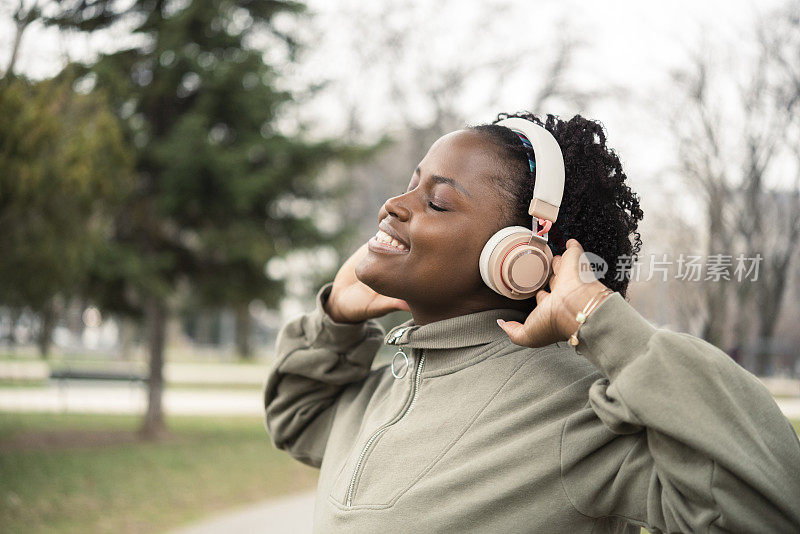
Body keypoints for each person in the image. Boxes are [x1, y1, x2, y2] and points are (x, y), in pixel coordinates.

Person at [263, 112, 800, 533]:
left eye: (438, 202)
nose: (394, 205)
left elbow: (764, 507)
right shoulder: (392, 382)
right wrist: (334, 319)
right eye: (411, 184)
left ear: (517, 256)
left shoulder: (581, 414)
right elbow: (298, 419)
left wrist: (602, 322)